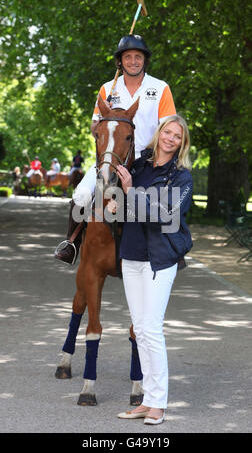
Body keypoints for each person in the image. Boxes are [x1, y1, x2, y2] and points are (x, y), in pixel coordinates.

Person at [55, 34, 176, 265]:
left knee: (158, 204)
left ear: (144, 61)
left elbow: (169, 128)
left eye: (138, 57)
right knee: (81, 194)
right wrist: (105, 115)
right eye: (127, 57)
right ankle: (71, 243)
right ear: (120, 61)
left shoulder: (160, 88)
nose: (133, 61)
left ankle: (167, 249)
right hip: (110, 159)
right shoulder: (107, 88)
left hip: (146, 160)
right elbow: (94, 128)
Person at [107, 115, 193, 424]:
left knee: (152, 329)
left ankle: (159, 403)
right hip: (131, 255)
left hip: (160, 257)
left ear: (182, 143)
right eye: (167, 132)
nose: (171, 138)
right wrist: (115, 204)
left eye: (177, 136)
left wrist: (129, 194)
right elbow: (118, 205)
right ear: (159, 133)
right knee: (140, 330)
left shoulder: (181, 177)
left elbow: (165, 214)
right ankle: (147, 398)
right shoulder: (139, 167)